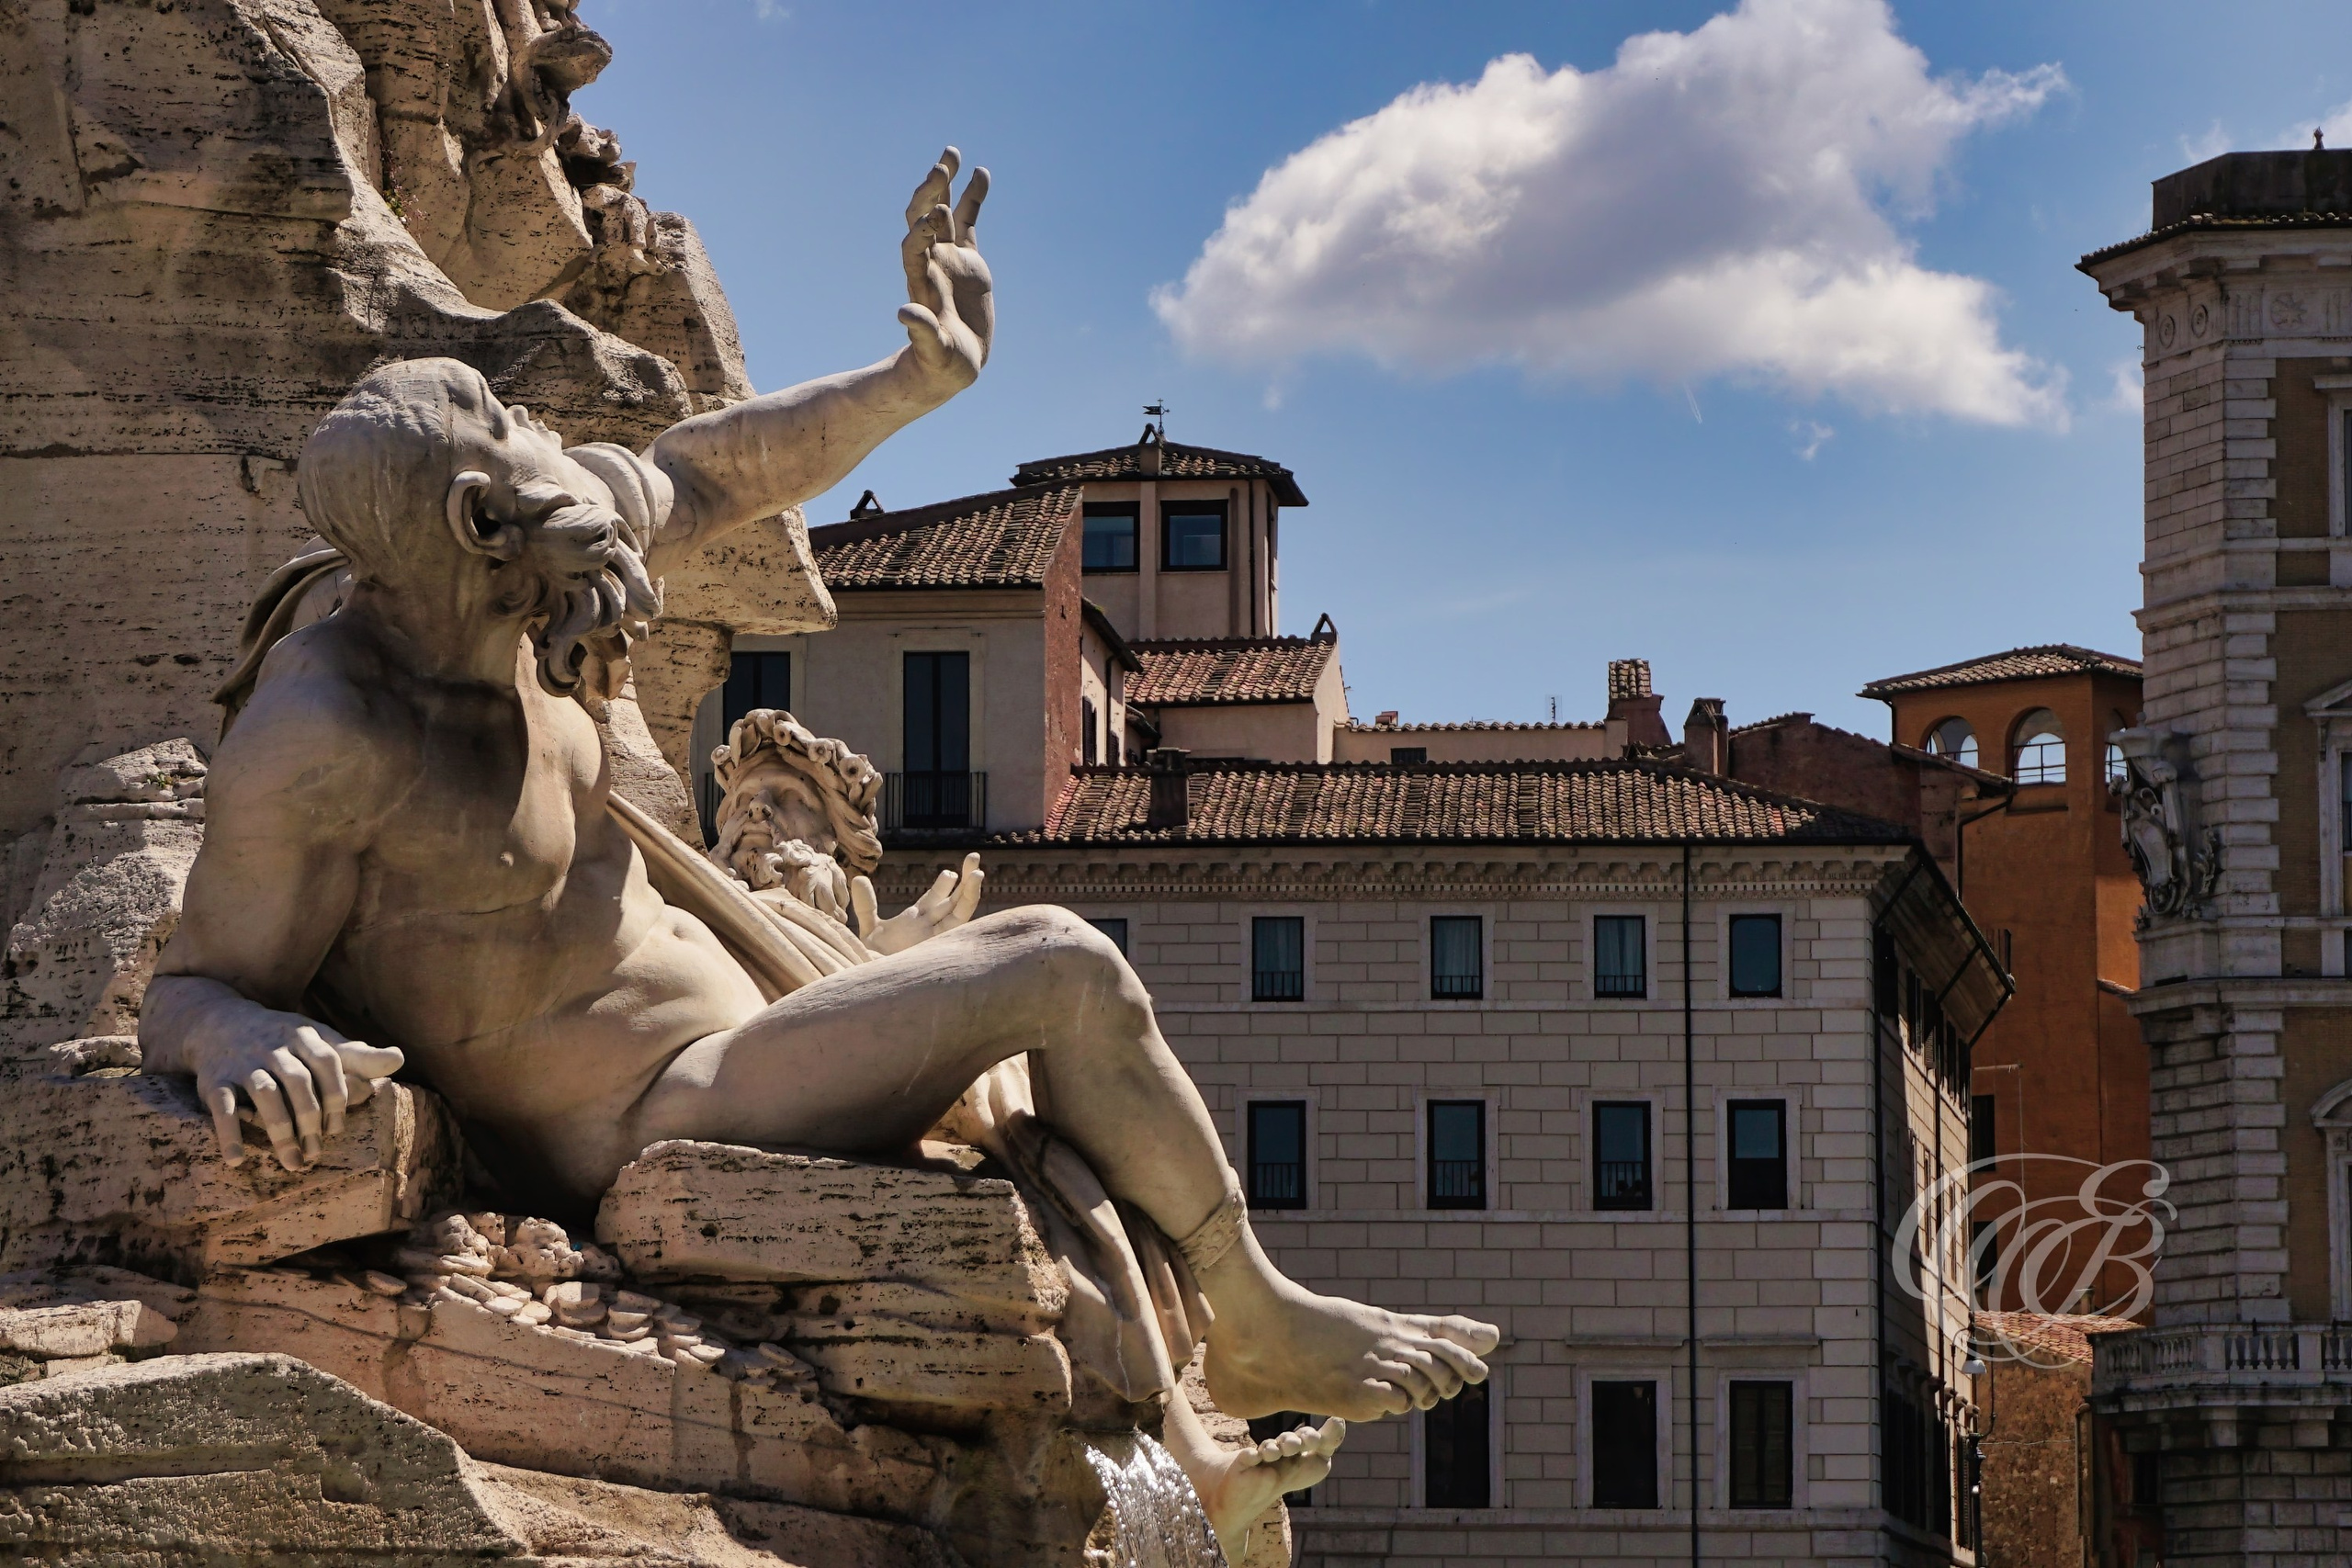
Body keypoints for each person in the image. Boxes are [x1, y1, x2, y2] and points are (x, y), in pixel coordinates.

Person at [139, 152, 1497, 1486]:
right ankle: (1249, 1317)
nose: (575, 476)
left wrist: (919, 375)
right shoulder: (328, 734)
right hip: (649, 1116)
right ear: (470, 521)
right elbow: (194, 983)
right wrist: (237, 1028)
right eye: (524, 457)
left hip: (751, 1005)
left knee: (1038, 1010)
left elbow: (711, 474)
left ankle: (1223, 1356)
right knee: (1062, 964)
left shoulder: (520, 556)